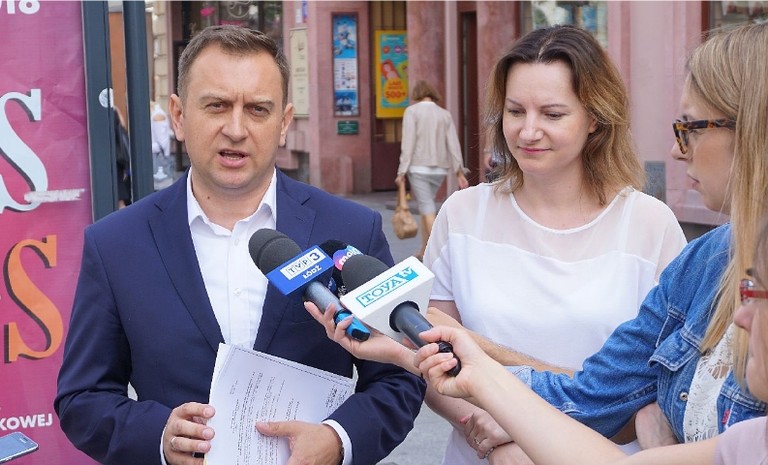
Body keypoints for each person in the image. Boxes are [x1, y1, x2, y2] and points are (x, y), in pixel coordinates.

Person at [54, 25, 424, 465]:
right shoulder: (115, 244)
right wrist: (160, 438)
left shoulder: (352, 229)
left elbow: (399, 376)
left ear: (284, 122)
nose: (235, 129)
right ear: (178, 116)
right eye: (217, 105)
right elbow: (83, 398)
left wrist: (338, 440)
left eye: (257, 109)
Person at [424, 20, 768, 463]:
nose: (678, 150)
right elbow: (597, 393)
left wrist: (477, 355)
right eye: (515, 111)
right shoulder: (706, 259)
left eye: (692, 127)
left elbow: (614, 401)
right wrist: (486, 412)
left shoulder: (652, 224)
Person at [414, 210, 768, 465]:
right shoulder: (750, 441)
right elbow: (592, 402)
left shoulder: (656, 224)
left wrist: (661, 444)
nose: (739, 316)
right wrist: (475, 370)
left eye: (755, 292)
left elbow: (598, 399)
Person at [395, 80, 469, 260]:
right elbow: (453, 144)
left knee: (427, 208)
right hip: (440, 169)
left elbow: (408, 143)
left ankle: (446, 253)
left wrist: (402, 170)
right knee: (425, 206)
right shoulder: (444, 114)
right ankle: (423, 250)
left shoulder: (412, 111)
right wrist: (458, 171)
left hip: (418, 167)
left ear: (416, 94)